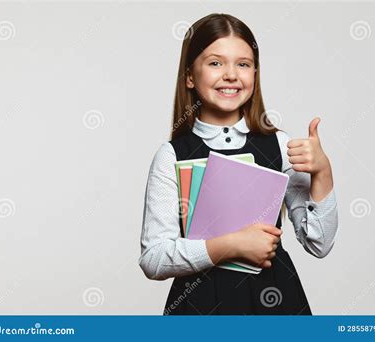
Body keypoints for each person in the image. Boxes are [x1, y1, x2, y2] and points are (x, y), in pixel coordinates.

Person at [138, 13, 339, 315]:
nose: (231, 75)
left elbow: (319, 244)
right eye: (215, 63)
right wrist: (231, 245)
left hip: (276, 303)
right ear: (190, 76)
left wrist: (323, 172)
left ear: (255, 74)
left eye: (243, 64)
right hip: (199, 306)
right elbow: (154, 259)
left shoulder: (279, 146)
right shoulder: (172, 156)